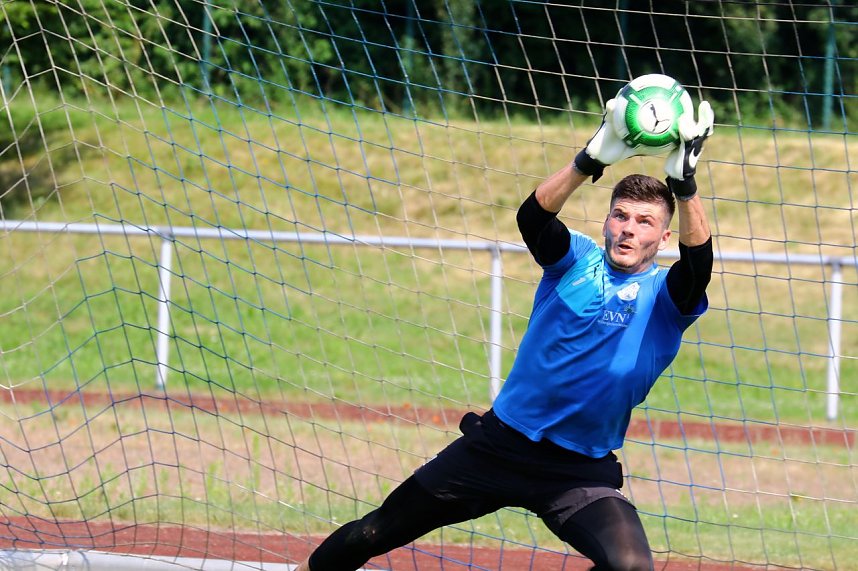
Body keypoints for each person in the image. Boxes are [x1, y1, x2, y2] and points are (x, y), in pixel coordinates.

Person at [296, 98, 716, 571]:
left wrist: (684, 186)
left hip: (577, 470)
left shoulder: (666, 296)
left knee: (632, 568)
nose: (627, 230)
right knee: (373, 532)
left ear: (663, 238)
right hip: (498, 446)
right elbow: (532, 220)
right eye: (620, 215)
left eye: (644, 223)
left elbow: (697, 267)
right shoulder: (577, 260)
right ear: (605, 221)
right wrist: (588, 160)